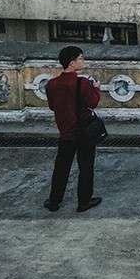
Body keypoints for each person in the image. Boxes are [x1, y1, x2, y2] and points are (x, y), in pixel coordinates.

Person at [44, 46, 104, 213]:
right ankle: (84, 201)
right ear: (72, 63)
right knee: (85, 167)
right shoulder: (82, 83)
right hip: (83, 131)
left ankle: (54, 201)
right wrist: (96, 88)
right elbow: (92, 103)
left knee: (61, 168)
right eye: (80, 59)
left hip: (66, 133)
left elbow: (52, 106)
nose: (82, 61)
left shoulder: (52, 84)